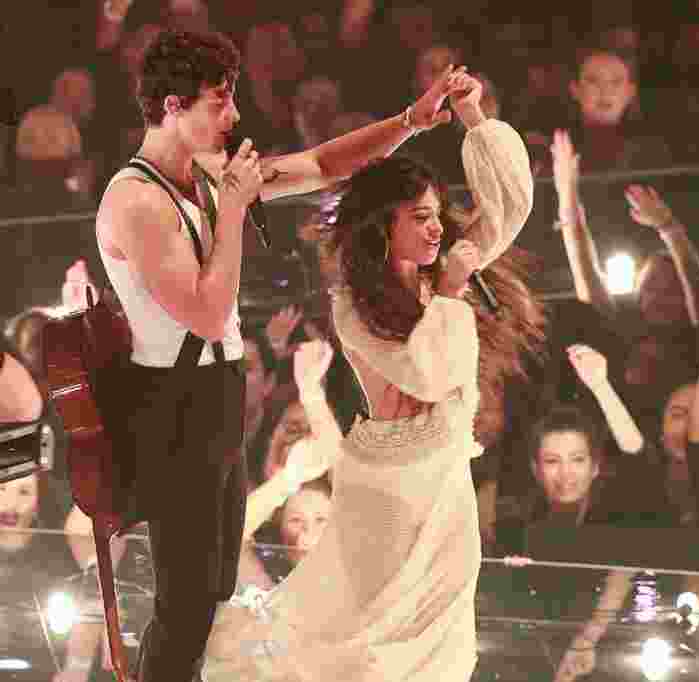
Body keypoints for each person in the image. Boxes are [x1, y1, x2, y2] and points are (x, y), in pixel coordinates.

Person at [93, 28, 462, 682]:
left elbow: (322, 165)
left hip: (220, 394)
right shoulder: (137, 201)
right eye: (219, 102)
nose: (234, 117)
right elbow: (206, 313)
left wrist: (410, 122)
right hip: (171, 404)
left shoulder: (207, 176)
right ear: (173, 107)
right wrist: (233, 210)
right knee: (183, 604)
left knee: (209, 593)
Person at [201, 69, 541, 681]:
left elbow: (511, 204)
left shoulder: (444, 273)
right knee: (363, 644)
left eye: (438, 214)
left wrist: (472, 116)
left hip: (446, 486)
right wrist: (453, 295)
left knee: (441, 648)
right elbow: (429, 374)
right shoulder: (353, 304)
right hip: (388, 490)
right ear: (385, 227)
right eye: (421, 217)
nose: (439, 229)